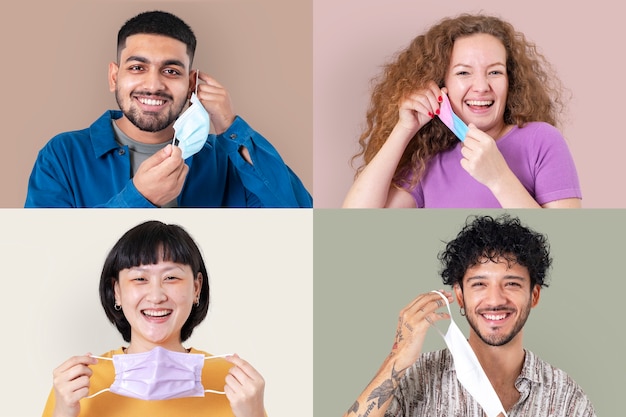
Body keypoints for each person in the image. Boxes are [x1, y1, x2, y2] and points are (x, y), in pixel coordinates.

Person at [25, 10, 312, 208]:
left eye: (171, 71)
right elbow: (45, 254)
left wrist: (230, 126)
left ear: (192, 83)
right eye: (137, 67)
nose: (153, 84)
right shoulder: (62, 156)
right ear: (114, 77)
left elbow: (298, 225)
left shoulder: (225, 162)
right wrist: (138, 198)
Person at [343, 214, 596, 416]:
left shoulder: (566, 397)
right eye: (479, 284)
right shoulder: (415, 381)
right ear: (460, 296)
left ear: (534, 296)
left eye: (512, 284)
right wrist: (396, 359)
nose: (495, 300)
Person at [343, 14, 581, 208]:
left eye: (495, 72)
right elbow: (355, 224)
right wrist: (404, 129)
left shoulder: (542, 140)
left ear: (511, 81)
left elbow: (566, 242)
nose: (481, 87)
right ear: (440, 83)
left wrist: (498, 178)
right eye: (463, 73)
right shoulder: (429, 159)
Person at [42, 220, 266, 417]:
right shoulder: (76, 386)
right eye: (140, 278)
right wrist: (63, 413)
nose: (156, 296)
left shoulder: (235, 386)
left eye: (171, 277)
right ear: (117, 290)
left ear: (196, 288)